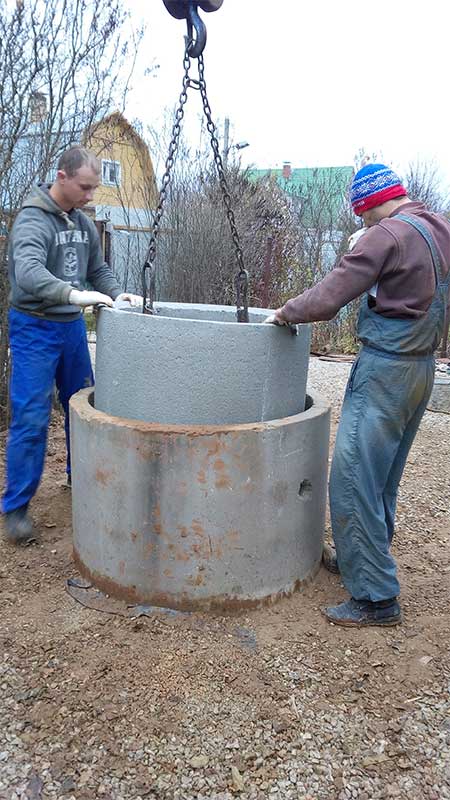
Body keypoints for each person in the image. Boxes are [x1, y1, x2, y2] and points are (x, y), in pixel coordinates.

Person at [265, 163, 450, 627]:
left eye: (361, 214)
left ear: (368, 204)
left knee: (351, 477)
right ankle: (360, 556)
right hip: (422, 367)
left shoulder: (384, 235)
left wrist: (287, 313)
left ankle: (374, 595)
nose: (362, 222)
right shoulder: (438, 227)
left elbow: (330, 297)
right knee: (383, 474)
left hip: (385, 370)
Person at [2, 146, 142, 544]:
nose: (91, 195)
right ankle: (16, 508)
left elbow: (96, 269)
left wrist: (116, 294)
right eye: (85, 186)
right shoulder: (32, 220)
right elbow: (27, 272)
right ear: (62, 177)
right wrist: (72, 295)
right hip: (35, 326)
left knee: (82, 407)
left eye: (95, 188)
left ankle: (81, 479)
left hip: (72, 331)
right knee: (30, 416)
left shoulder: (81, 222)